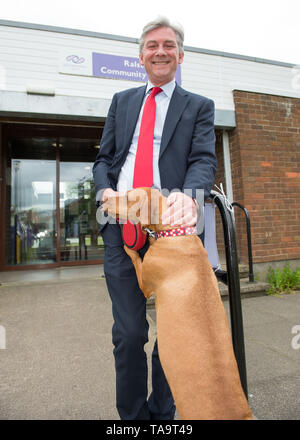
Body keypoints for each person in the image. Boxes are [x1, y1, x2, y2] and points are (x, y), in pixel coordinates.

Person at [93, 16, 217, 420]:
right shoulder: (122, 101)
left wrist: (190, 197)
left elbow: (202, 160)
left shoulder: (199, 106)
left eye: (168, 45)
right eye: (151, 45)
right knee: (129, 334)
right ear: (141, 56)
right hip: (123, 227)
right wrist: (104, 190)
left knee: (173, 336)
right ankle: (132, 418)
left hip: (172, 231)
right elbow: (104, 159)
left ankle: (163, 416)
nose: (159, 51)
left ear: (180, 55)